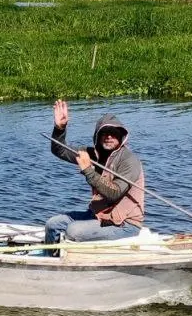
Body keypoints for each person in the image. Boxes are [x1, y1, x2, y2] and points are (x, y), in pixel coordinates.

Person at [45, 99, 145, 244]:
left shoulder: (129, 160)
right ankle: (52, 259)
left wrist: (88, 170)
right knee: (53, 224)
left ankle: (73, 260)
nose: (109, 136)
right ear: (97, 136)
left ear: (121, 136)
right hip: (98, 216)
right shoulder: (92, 154)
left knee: (73, 231)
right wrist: (59, 128)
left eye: (114, 133)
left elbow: (114, 193)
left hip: (124, 224)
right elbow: (59, 150)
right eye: (104, 133)